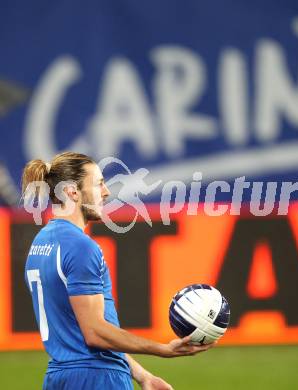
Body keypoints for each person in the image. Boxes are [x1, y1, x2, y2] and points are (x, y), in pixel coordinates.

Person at [22, 152, 213, 390]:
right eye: (99, 183)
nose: (106, 192)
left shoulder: (41, 243)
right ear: (72, 192)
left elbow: (81, 332)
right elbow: (94, 333)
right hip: (97, 379)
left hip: (60, 378)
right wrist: (162, 349)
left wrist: (143, 376)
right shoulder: (81, 247)